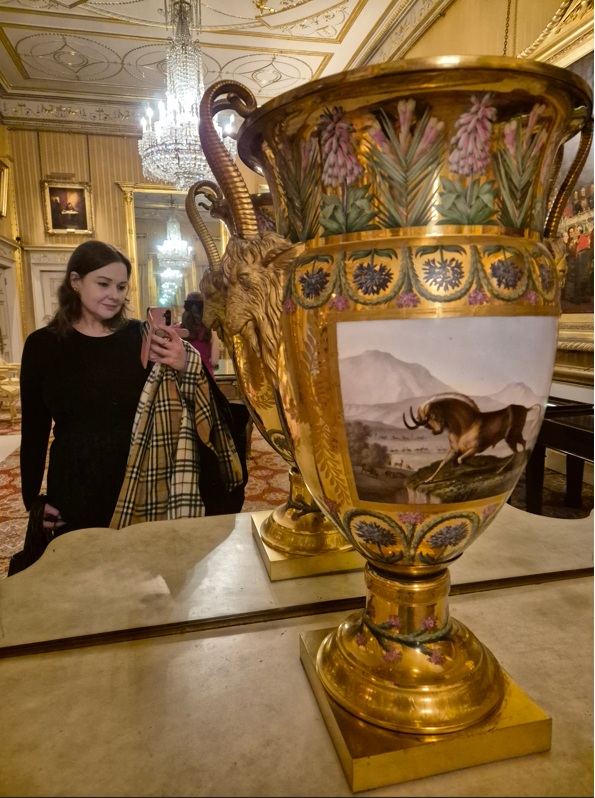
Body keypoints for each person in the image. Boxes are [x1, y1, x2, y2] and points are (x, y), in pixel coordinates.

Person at [20, 240, 244, 538]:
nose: (114, 295)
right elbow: (33, 430)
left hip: (140, 485)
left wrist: (185, 363)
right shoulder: (42, 346)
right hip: (74, 487)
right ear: (75, 281)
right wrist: (33, 501)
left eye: (121, 287)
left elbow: (189, 403)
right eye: (103, 284)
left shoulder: (142, 338)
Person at [177, 291, 220, 377]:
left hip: (184, 377)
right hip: (205, 377)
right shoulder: (211, 331)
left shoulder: (177, 330)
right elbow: (215, 361)